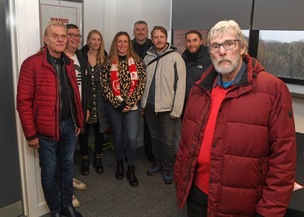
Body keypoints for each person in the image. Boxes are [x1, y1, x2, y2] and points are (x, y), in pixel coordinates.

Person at [174, 20, 296, 217]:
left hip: (239, 203)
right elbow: (185, 144)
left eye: (229, 43)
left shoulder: (274, 90)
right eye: (215, 46)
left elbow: (283, 161)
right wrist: (181, 181)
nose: (222, 51)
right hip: (196, 195)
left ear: (242, 48)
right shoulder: (199, 89)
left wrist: (269, 211)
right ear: (210, 52)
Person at [17, 21, 84, 217]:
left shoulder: (69, 62)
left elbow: (74, 95)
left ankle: (67, 206)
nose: (61, 39)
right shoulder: (32, 64)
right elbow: (23, 102)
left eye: (64, 36)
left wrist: (77, 121)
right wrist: (30, 134)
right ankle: (55, 210)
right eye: (55, 36)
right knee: (48, 172)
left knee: (67, 169)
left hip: (68, 126)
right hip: (45, 131)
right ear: (46, 40)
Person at [141, 26, 186, 185]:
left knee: (168, 141)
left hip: (168, 109)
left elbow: (181, 86)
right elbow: (143, 84)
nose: (158, 40)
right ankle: (158, 163)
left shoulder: (175, 58)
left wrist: (177, 110)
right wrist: (142, 104)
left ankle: (167, 167)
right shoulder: (147, 58)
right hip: (150, 107)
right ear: (151, 39)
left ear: (166, 38)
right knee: (155, 138)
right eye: (155, 37)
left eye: (161, 37)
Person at [101, 31, 145, 187]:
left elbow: (141, 85)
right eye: (119, 41)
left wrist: (129, 103)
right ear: (115, 43)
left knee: (131, 139)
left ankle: (131, 169)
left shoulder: (138, 61)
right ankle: (120, 164)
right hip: (114, 106)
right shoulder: (107, 62)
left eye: (125, 41)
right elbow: (105, 85)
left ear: (129, 43)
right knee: (118, 137)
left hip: (132, 107)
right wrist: (117, 103)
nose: (122, 44)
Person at [64, 23, 88, 208]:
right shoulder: (58, 57)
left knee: (70, 150)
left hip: (78, 111)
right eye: (70, 35)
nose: (75, 38)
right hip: (64, 113)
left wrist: (85, 107)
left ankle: (68, 178)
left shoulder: (80, 55)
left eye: (77, 35)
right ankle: (66, 192)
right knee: (62, 153)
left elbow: (84, 85)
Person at [80, 29, 109, 176]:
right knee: (84, 133)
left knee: (99, 132)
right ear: (88, 41)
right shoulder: (80, 57)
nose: (96, 42)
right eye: (93, 39)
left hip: (101, 103)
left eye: (98, 39)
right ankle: (84, 159)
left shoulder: (105, 57)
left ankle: (98, 159)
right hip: (85, 102)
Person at [131, 20, 154, 162]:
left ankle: (150, 152)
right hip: (131, 91)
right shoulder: (128, 45)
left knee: (149, 125)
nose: (140, 32)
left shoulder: (154, 46)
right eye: (137, 29)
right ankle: (130, 153)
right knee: (130, 126)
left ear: (147, 31)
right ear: (134, 32)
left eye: (143, 29)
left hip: (149, 91)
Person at [182, 30, 212, 105]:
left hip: (203, 104)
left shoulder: (209, 58)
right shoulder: (182, 59)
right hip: (185, 103)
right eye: (188, 41)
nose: (191, 44)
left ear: (201, 41)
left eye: (195, 40)